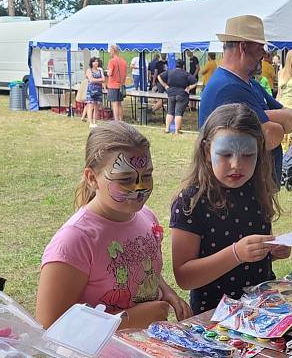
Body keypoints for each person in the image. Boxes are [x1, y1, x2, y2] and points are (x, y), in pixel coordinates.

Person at [36, 122, 191, 330]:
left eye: (147, 175)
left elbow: (142, 267)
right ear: (92, 178)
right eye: (125, 179)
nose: (140, 187)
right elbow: (49, 326)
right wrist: (128, 319)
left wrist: (167, 291)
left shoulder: (146, 217)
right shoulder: (75, 241)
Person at [171, 103, 290, 314]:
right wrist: (236, 253)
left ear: (259, 151)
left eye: (247, 155)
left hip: (261, 309)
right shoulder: (190, 201)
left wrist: (271, 250)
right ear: (207, 151)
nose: (236, 164)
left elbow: (253, 252)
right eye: (225, 154)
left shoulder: (256, 190)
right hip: (214, 314)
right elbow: (184, 277)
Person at [198, 15, 292, 185]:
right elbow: (273, 135)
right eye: (260, 47)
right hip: (237, 192)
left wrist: (264, 116)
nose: (264, 53)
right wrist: (275, 120)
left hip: (251, 189)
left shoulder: (249, 84)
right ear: (243, 47)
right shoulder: (229, 88)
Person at [158, 59, 198, 134]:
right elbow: (195, 82)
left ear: (175, 65)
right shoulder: (185, 74)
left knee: (170, 112)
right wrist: (189, 88)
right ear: (183, 66)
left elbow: (159, 76)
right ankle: (177, 131)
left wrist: (165, 85)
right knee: (178, 113)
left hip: (171, 94)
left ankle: (167, 129)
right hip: (182, 95)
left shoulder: (170, 72)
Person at [106, 45, 128, 121]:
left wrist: (106, 72)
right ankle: (121, 120)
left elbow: (110, 73)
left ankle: (116, 121)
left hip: (113, 85)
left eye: (110, 51)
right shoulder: (123, 61)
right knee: (119, 104)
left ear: (113, 51)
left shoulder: (112, 61)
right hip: (121, 85)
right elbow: (125, 73)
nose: (109, 53)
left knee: (114, 104)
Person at [84, 57, 105, 128]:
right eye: (94, 62)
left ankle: (95, 121)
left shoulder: (100, 70)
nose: (96, 63)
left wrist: (97, 80)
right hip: (91, 90)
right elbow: (91, 80)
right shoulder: (89, 70)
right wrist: (99, 80)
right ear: (91, 63)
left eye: (97, 61)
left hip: (98, 90)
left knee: (97, 107)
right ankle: (90, 122)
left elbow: (103, 79)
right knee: (90, 106)